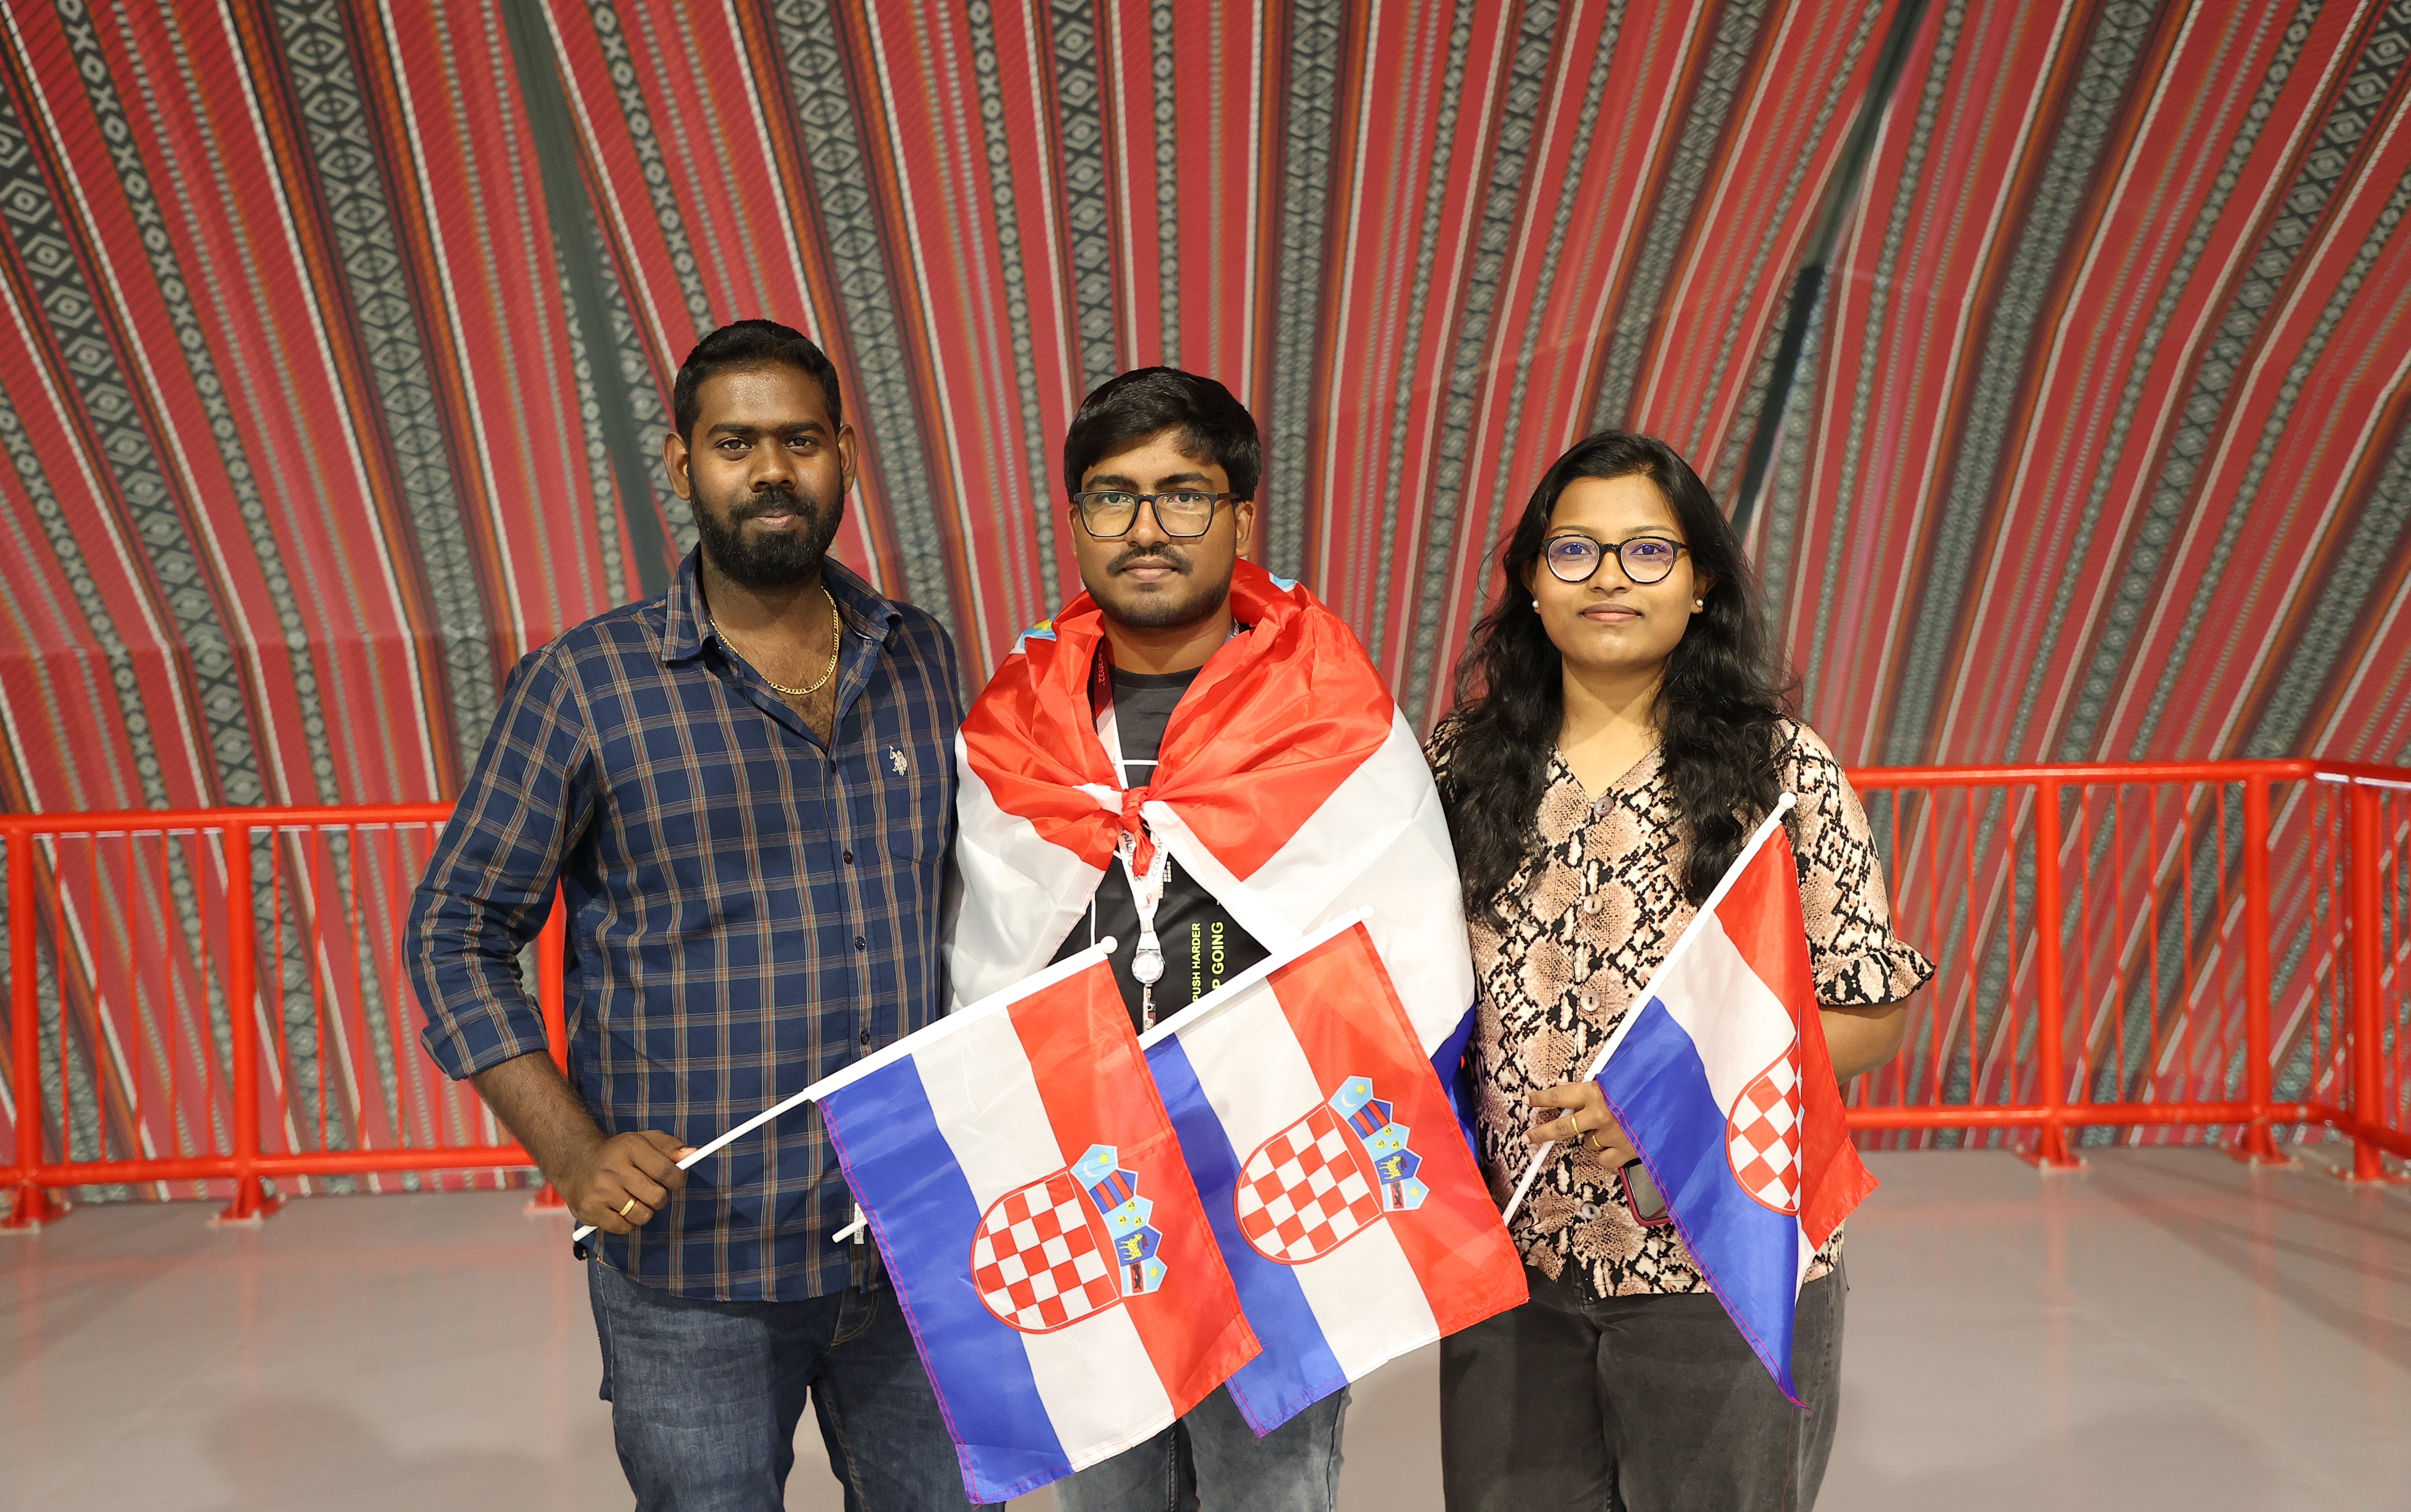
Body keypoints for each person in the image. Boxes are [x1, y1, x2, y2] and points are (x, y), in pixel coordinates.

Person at [405, 320, 975, 1512]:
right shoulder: (587, 686)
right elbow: (455, 931)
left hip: (922, 1243)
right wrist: (571, 1149)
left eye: (800, 441)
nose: (772, 471)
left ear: (846, 458)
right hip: (697, 1262)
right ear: (682, 466)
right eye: (736, 443)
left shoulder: (920, 656)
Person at [1425, 431, 1932, 1512]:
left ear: (1700, 582)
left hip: (1725, 1257)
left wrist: (1673, 1109)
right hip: (1510, 1265)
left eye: (1648, 552)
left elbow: (1872, 1017)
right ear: (1530, 581)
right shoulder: (1458, 769)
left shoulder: (1782, 770)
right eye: (1575, 552)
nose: (1610, 578)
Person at [950, 367, 1412, 1512]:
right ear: (1076, 521)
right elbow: (980, 964)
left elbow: (1399, 958)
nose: (1146, 528)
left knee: (1274, 1496)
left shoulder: (1334, 713)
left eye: (1182, 495)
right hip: (1086, 1201)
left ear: (1241, 516)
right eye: (1113, 497)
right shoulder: (1017, 723)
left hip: (1274, 1210)